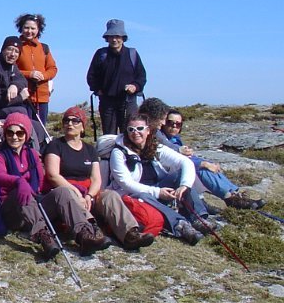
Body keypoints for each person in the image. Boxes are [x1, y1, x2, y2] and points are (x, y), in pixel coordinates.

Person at [0, 113, 100, 260]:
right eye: (10, 132)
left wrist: (74, 188)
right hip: (13, 210)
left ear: (27, 134)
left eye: (20, 133)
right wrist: (18, 182)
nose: (15, 137)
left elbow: (42, 183)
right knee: (22, 191)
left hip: (36, 205)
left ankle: (83, 235)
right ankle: (44, 237)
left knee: (63, 192)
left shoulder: (32, 154)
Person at [42, 107, 149, 251]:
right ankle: (88, 234)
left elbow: (96, 179)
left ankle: (130, 234)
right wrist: (76, 192)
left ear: (82, 126)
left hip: (87, 191)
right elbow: (53, 175)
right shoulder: (55, 145)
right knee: (69, 194)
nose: (70, 124)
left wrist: (89, 195)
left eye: (75, 121)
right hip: (65, 191)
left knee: (110, 195)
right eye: (66, 120)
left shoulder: (90, 149)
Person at [106, 115, 208, 244]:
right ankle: (181, 226)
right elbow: (126, 183)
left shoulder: (155, 147)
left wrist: (184, 185)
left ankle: (199, 219)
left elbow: (185, 162)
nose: (135, 132)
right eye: (131, 129)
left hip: (158, 188)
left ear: (148, 130)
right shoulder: (119, 152)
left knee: (179, 175)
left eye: (140, 128)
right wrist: (158, 192)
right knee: (143, 194)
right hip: (133, 195)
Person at [161, 110, 265, 210]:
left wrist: (208, 163)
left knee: (209, 166)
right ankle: (229, 198)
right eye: (171, 123)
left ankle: (235, 194)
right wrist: (203, 164)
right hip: (167, 173)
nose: (174, 126)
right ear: (164, 123)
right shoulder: (161, 139)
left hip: (178, 168)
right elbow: (176, 159)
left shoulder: (175, 139)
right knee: (202, 169)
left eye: (178, 124)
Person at [87, 19, 146, 135]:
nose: (114, 39)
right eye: (111, 36)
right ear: (107, 38)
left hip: (128, 102)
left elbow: (141, 76)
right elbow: (91, 76)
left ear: (123, 37)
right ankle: (110, 153)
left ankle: (130, 153)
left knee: (130, 134)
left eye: (117, 36)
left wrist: (135, 86)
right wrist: (98, 89)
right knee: (109, 136)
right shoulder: (101, 54)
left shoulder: (132, 54)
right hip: (107, 103)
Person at [14, 13, 57, 124]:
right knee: (25, 128)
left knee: (41, 129)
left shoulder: (44, 48)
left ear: (38, 30)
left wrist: (43, 76)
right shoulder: (15, 46)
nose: (29, 31)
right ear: (21, 28)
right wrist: (30, 74)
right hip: (23, 96)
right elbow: (11, 70)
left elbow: (52, 68)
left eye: (33, 28)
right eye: (26, 27)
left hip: (42, 97)